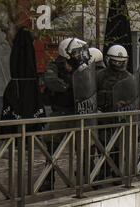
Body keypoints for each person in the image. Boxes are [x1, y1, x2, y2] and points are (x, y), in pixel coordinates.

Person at [41, 37, 90, 191]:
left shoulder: (82, 67)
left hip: (78, 111)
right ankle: (48, 179)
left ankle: (86, 175)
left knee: (84, 146)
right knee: (52, 145)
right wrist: (68, 86)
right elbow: (50, 80)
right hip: (61, 111)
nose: (79, 55)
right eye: (75, 52)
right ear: (66, 52)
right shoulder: (55, 66)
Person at [96, 45, 134, 180]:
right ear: (109, 60)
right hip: (104, 115)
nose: (118, 64)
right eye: (115, 61)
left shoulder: (129, 77)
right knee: (102, 144)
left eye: (121, 61)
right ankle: (102, 170)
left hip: (120, 116)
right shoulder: (100, 75)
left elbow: (133, 96)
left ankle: (117, 172)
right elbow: (92, 94)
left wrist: (127, 103)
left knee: (118, 145)